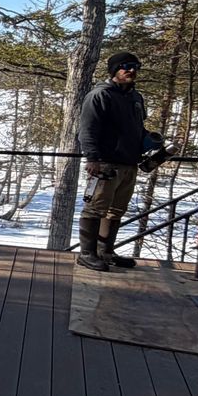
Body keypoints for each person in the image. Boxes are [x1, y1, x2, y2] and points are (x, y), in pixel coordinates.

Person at [76, 50, 148, 271]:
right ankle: (87, 253)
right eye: (126, 66)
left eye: (136, 67)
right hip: (105, 162)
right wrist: (92, 158)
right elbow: (87, 130)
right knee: (95, 208)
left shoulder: (136, 98)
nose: (132, 71)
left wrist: (149, 142)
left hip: (129, 163)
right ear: (114, 70)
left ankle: (105, 251)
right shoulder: (100, 95)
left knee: (116, 210)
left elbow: (138, 128)